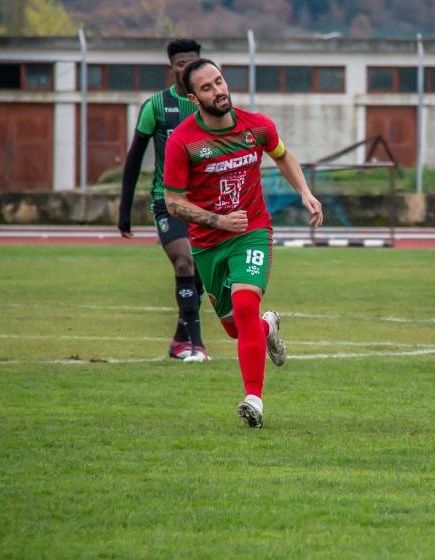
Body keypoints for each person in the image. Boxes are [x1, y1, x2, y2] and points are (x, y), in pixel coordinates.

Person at [163, 58, 323, 428]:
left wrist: (305, 192)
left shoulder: (257, 126)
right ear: (193, 97)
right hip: (208, 243)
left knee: (245, 302)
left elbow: (283, 156)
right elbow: (173, 202)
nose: (218, 91)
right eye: (207, 87)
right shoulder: (183, 142)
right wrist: (218, 220)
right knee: (237, 327)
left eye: (219, 81)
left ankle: (254, 399)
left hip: (252, 231)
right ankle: (267, 328)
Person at [118, 38, 208, 362]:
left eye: (193, 63)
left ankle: (179, 340)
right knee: (184, 260)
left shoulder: (208, 104)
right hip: (167, 201)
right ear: (171, 67)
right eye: (181, 64)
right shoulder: (156, 106)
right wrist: (123, 212)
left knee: (201, 276)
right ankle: (197, 346)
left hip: (205, 204)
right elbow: (133, 160)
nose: (187, 69)